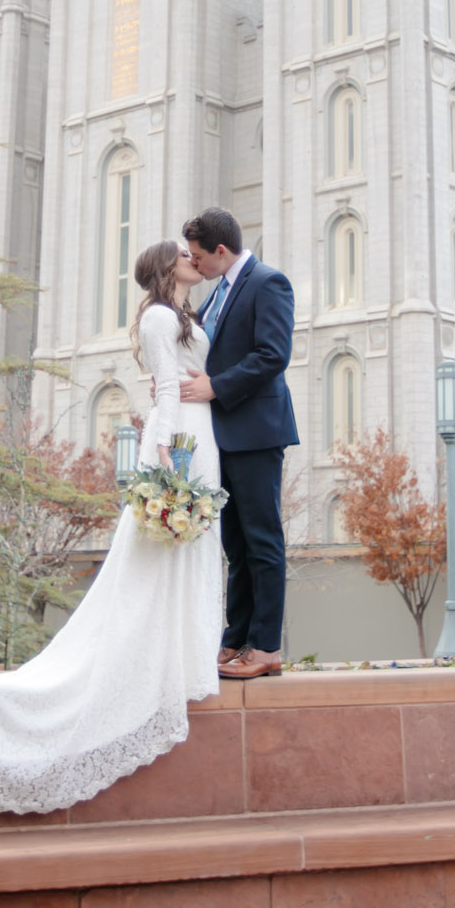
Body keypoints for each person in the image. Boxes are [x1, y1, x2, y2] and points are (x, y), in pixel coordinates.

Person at [0, 239, 223, 814]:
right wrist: (168, 462)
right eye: (182, 253)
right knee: (166, 551)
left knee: (191, 548)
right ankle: (151, 666)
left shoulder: (186, 314)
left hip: (199, 434)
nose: (191, 257)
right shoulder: (160, 316)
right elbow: (161, 387)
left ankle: (181, 658)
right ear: (165, 268)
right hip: (180, 438)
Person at [178, 206, 299, 680]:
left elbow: (273, 355)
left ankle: (266, 647)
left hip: (256, 431)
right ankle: (236, 638)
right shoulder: (217, 294)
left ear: (221, 251)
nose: (197, 264)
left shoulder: (269, 282)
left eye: (199, 256)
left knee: (263, 539)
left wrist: (215, 387)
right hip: (223, 434)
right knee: (236, 542)